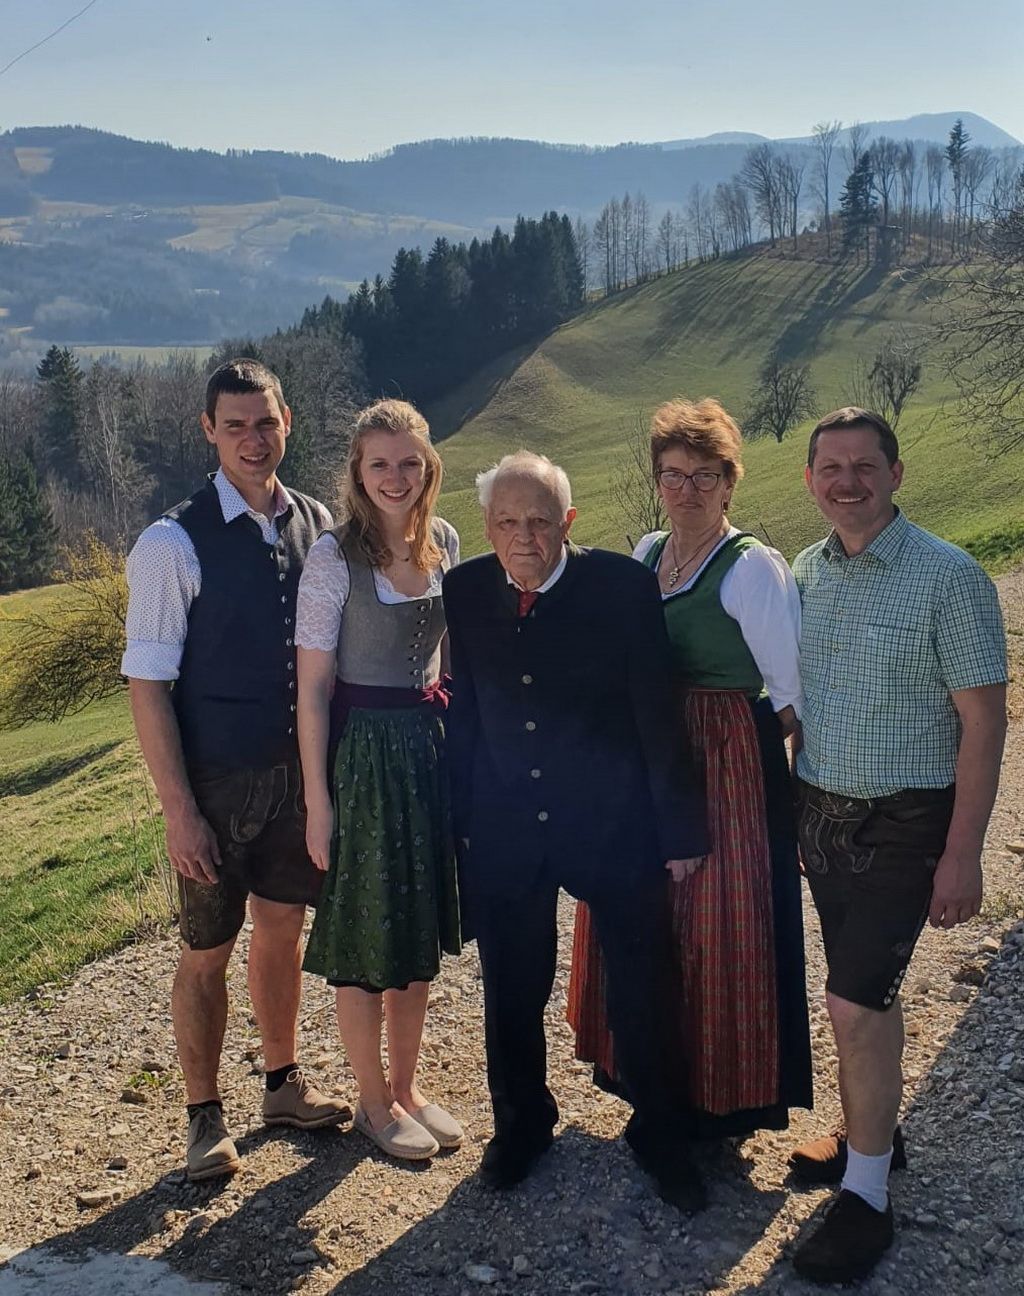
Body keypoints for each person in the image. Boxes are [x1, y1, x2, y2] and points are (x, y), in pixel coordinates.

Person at [442, 451, 710, 1211]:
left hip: (611, 823)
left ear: (568, 521)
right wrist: (460, 819)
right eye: (506, 522)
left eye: (538, 520)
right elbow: (467, 710)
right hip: (504, 826)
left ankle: (663, 1135)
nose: (523, 536)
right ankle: (521, 1127)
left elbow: (657, 713)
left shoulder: (621, 587)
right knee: (511, 989)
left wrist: (678, 827)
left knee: (643, 984)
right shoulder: (463, 589)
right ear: (487, 528)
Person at [787, 407, 1007, 1284]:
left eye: (863, 466)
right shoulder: (806, 570)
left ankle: (868, 1197)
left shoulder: (950, 578)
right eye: (831, 468)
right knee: (861, 992)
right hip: (821, 815)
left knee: (852, 1004)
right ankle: (874, 1129)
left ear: (896, 473)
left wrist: (964, 852)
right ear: (809, 481)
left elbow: (984, 725)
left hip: (908, 822)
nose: (847, 481)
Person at [123, 359, 351, 1183]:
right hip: (215, 783)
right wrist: (178, 809)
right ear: (208, 431)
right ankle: (201, 1116)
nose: (253, 440)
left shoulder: (317, 520)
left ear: (288, 420)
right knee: (206, 948)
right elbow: (147, 687)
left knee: (284, 930)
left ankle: (281, 1084)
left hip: (296, 779)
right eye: (235, 425)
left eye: (266, 422)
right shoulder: (169, 542)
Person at [567, 397, 813, 1146]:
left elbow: (791, 696)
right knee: (643, 921)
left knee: (716, 930)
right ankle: (649, 1077)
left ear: (729, 483)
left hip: (725, 763)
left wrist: (734, 759)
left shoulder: (752, 569)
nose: (687, 491)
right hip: (644, 761)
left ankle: (719, 1096)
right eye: (673, 475)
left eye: (704, 475)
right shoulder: (645, 553)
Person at [296, 399, 463, 1162]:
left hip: (427, 750)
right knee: (368, 930)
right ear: (357, 474)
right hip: (362, 757)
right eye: (378, 464)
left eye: (408, 462)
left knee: (416, 923)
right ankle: (369, 1099)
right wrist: (317, 801)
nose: (395, 477)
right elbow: (312, 688)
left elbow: (451, 662)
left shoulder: (447, 541)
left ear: (427, 464)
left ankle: (406, 1084)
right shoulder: (335, 558)